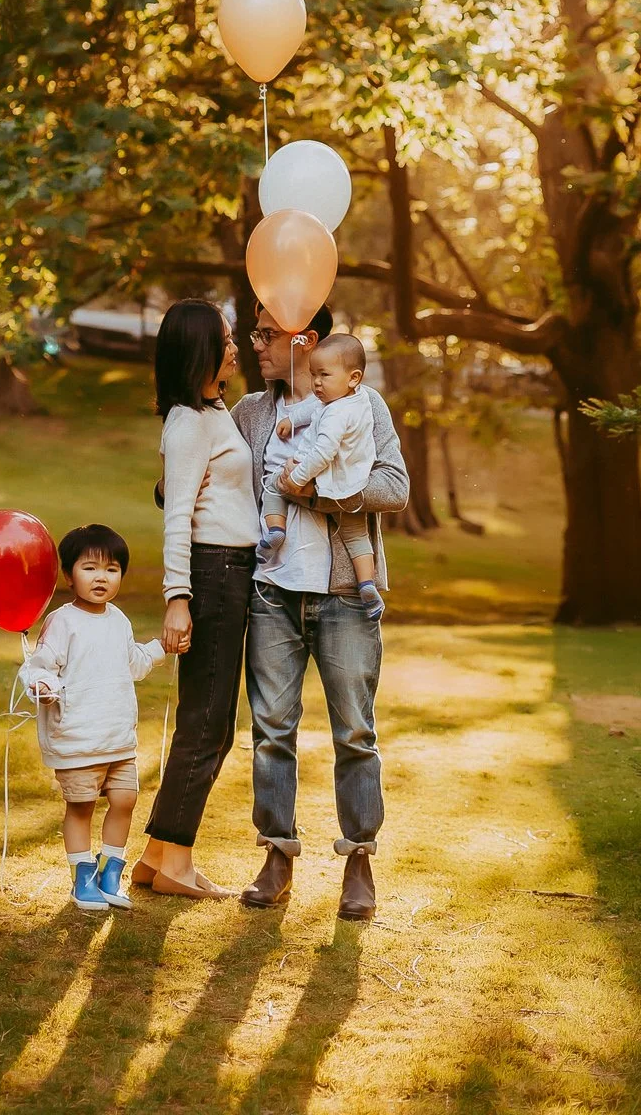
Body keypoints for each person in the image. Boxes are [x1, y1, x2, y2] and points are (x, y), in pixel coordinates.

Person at [231, 304, 409, 922]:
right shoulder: (253, 413)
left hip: (343, 596)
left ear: (302, 339)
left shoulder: (364, 405)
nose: (255, 343)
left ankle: (359, 860)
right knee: (270, 731)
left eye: (265, 332)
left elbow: (396, 487)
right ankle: (277, 854)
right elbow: (222, 481)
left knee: (354, 733)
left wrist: (332, 494)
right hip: (271, 595)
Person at [134, 298, 260, 899]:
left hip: (232, 571)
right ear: (200, 350)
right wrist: (176, 597)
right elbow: (177, 515)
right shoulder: (188, 420)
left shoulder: (215, 412)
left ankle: (157, 856)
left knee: (206, 723)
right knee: (209, 726)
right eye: (227, 339)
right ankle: (176, 862)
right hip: (212, 573)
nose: (236, 348)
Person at [21, 523, 165, 914]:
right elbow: (39, 665)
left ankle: (109, 873)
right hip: (78, 737)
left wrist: (159, 648)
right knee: (81, 806)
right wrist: (42, 685)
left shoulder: (118, 619)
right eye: (90, 568)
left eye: (112, 569)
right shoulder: (62, 621)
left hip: (117, 737)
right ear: (69, 575)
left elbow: (132, 663)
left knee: (125, 799)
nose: (101, 577)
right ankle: (81, 877)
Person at [261, 332, 384, 619]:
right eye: (313, 374)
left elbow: (323, 452)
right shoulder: (359, 399)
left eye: (324, 375)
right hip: (353, 484)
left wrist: (297, 478)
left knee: (274, 487)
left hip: (323, 478)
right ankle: (367, 584)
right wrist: (293, 419)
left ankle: (276, 531)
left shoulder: (334, 414)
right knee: (356, 535)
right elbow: (311, 407)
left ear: (353, 377)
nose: (316, 383)